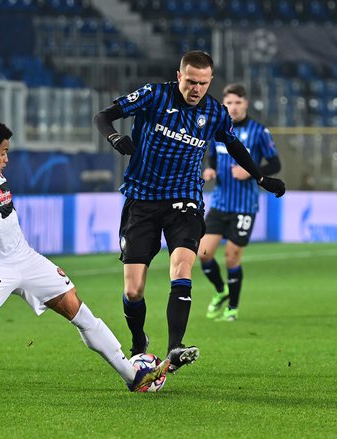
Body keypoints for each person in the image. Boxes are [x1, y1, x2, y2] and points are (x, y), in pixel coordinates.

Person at [0, 96, 169, 400]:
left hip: (26, 258)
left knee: (79, 311)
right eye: (3, 152)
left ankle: (132, 376)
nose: (7, 159)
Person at [93, 51, 285, 373]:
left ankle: (174, 349)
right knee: (133, 289)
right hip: (142, 199)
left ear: (210, 81)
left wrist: (261, 177)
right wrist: (114, 138)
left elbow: (234, 144)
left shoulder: (214, 111)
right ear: (179, 76)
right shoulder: (154, 95)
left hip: (185, 200)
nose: (197, 89)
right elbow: (103, 116)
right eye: (192, 81)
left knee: (182, 266)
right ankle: (139, 341)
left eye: (204, 83)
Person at [198, 83, 281, 322]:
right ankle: (221, 290)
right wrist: (210, 170)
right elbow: (211, 157)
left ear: (245, 103)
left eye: (237, 102)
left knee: (232, 257)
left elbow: (275, 164)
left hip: (244, 205)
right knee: (203, 253)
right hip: (220, 203)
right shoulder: (218, 129)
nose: (233, 108)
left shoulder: (259, 132)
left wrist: (252, 173)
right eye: (229, 103)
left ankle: (232, 308)